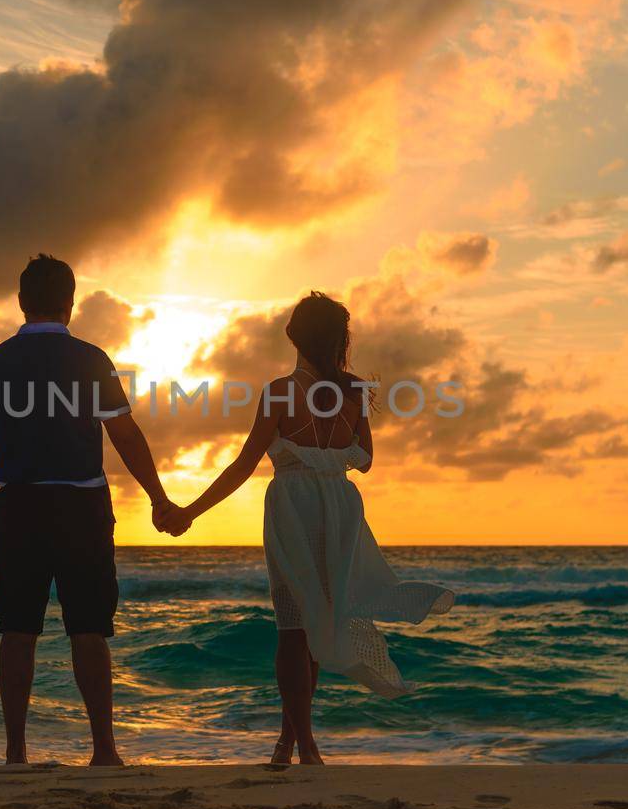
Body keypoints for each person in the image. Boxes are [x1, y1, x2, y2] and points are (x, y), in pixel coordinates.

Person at [161, 292, 454, 765]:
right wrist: (330, 458)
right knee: (313, 620)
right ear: (340, 340)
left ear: (293, 335)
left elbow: (243, 465)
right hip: (339, 509)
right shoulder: (354, 394)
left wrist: (190, 511)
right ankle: (291, 741)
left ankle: (306, 744)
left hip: (293, 509)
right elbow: (368, 461)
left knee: (292, 628)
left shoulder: (280, 391)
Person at [0, 254, 177, 767]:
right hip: (82, 503)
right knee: (89, 627)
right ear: (71, 303)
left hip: (19, 503)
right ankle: (104, 748)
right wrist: (158, 497)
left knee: (17, 629)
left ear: (21, 302)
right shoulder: (91, 359)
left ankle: (16, 750)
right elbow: (124, 434)